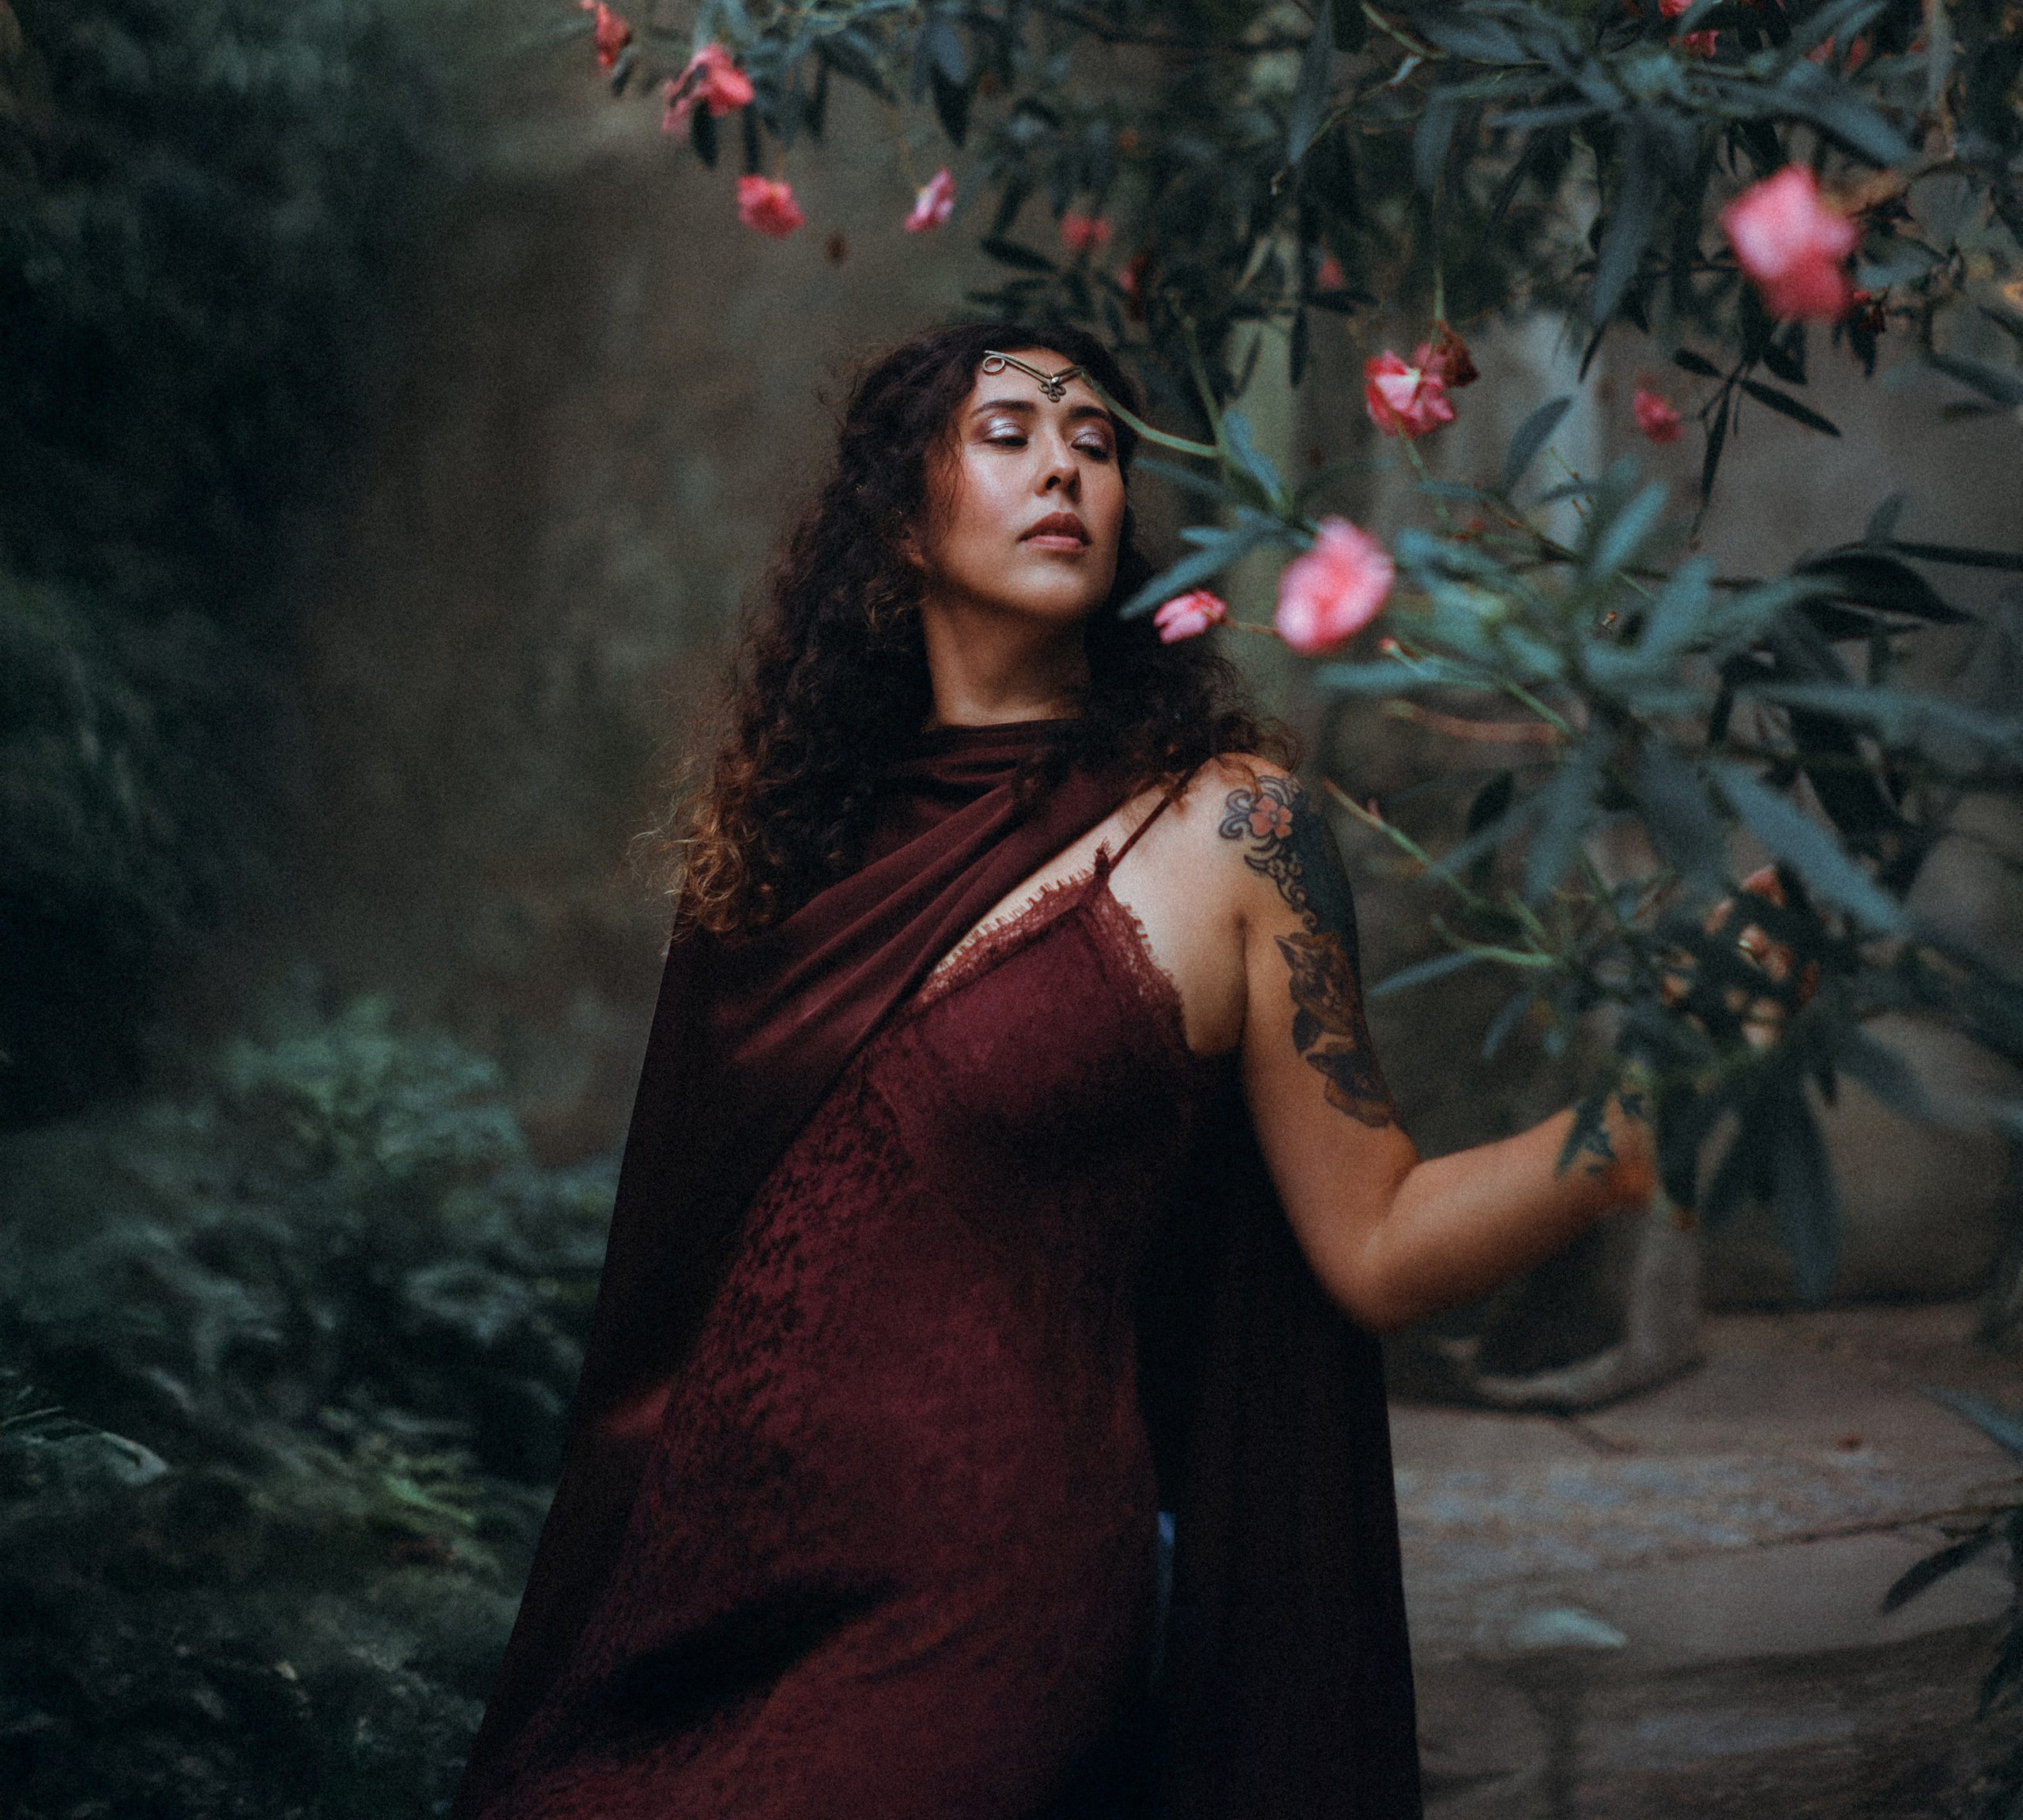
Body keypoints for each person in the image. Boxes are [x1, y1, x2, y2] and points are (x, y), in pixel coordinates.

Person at [450, 318, 1656, 1820]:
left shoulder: (1229, 830)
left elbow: (1375, 1241)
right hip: (703, 1606)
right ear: (900, 518)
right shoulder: (780, 856)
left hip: (985, 1596)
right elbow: (668, 1284)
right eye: (1010, 435)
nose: (1066, 471)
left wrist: (1627, 1139)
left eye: (1095, 445)